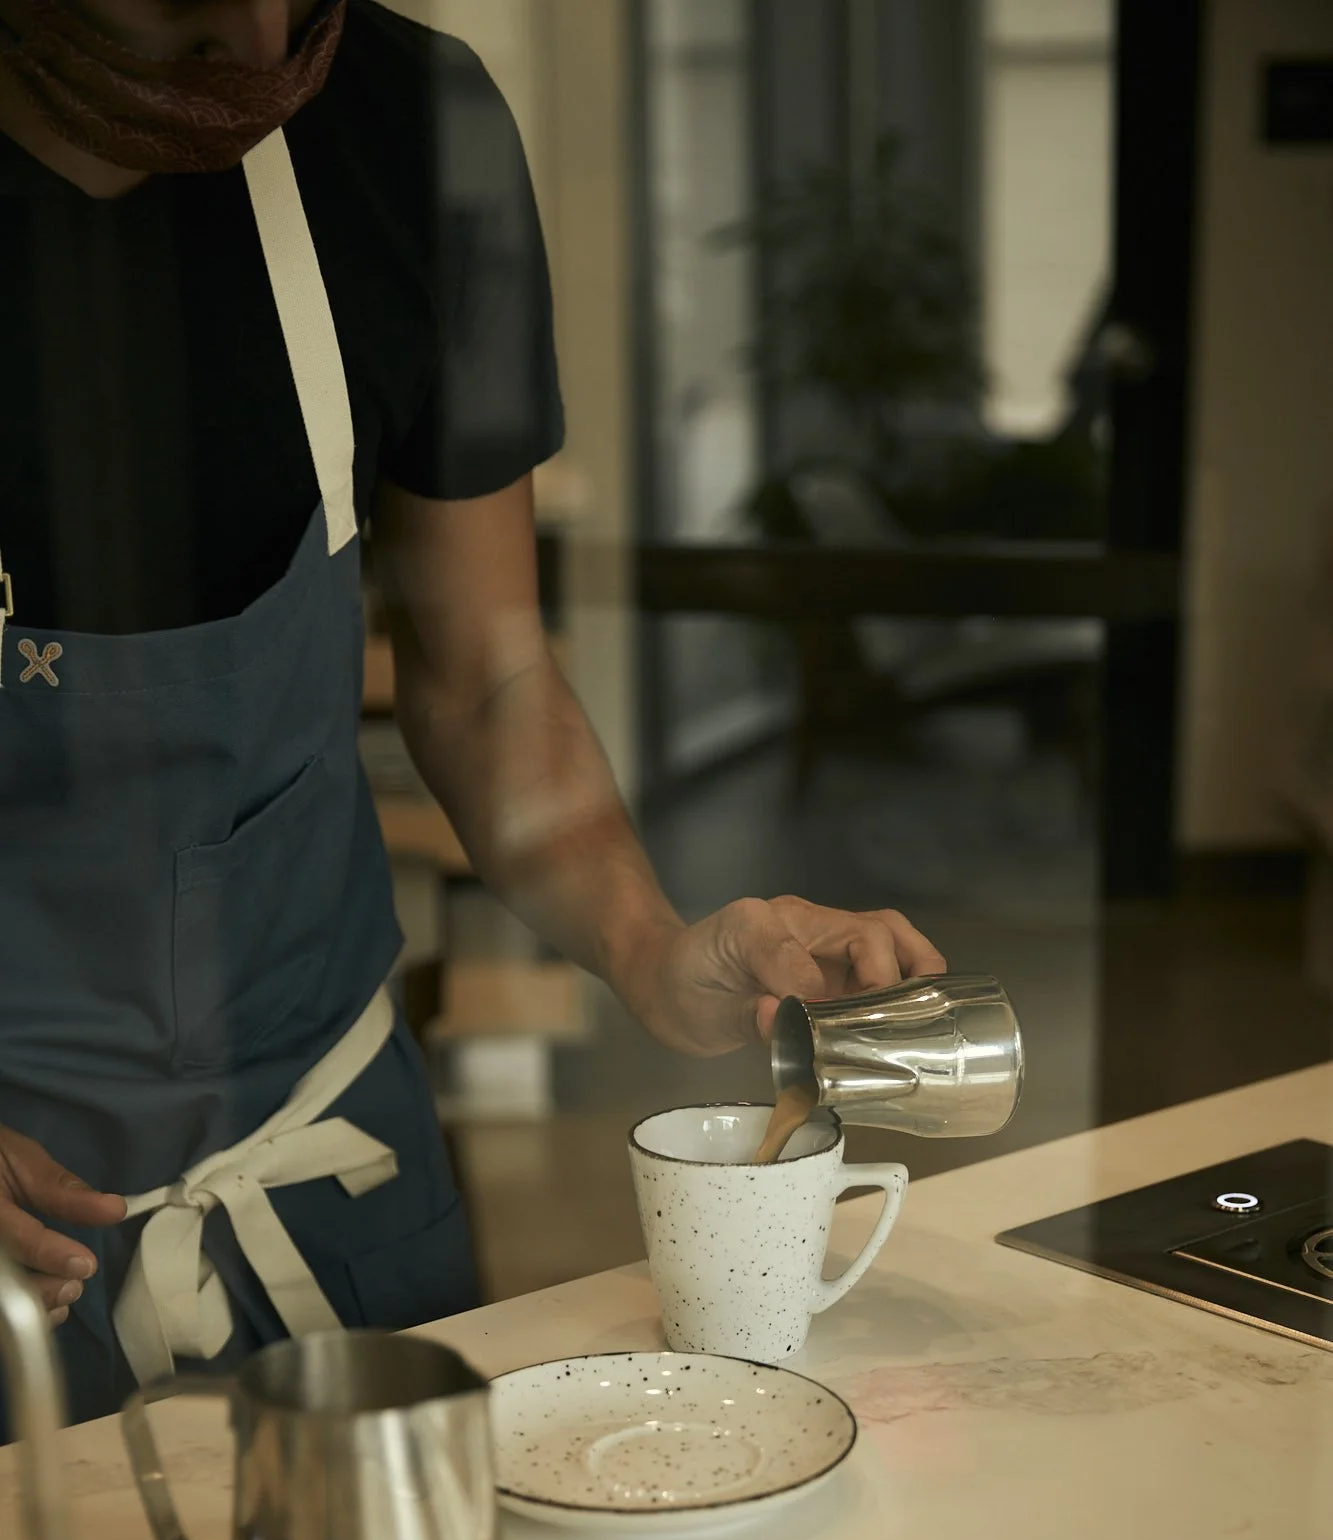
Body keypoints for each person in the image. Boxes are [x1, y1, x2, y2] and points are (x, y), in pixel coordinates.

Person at [0, 0, 946, 1438]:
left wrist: (650, 942)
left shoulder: (408, 125)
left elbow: (487, 673)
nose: (258, 44)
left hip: (330, 1178)